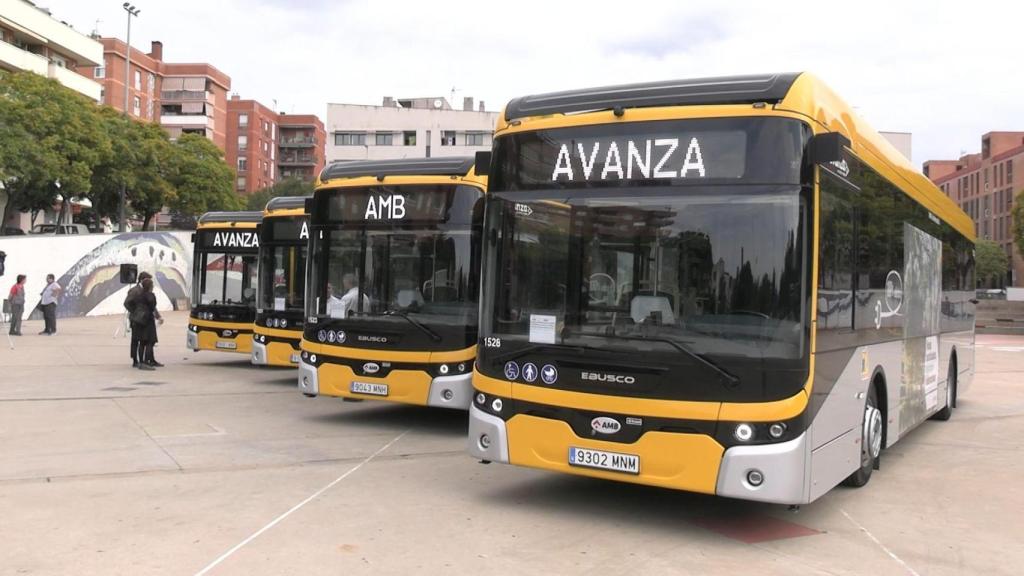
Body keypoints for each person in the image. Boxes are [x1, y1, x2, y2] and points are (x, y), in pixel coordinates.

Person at [131, 277, 163, 369]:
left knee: (142, 342)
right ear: (150, 286)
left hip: (139, 320)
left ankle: (141, 362)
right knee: (150, 341)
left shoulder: (138, 294)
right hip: (148, 320)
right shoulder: (151, 295)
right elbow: (153, 307)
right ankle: (146, 361)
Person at [123, 271, 152, 367]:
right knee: (135, 340)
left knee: (141, 339)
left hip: (143, 319)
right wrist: (134, 312)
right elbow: (127, 303)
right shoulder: (135, 290)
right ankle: (135, 360)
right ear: (142, 280)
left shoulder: (144, 290)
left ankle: (140, 360)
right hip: (136, 319)